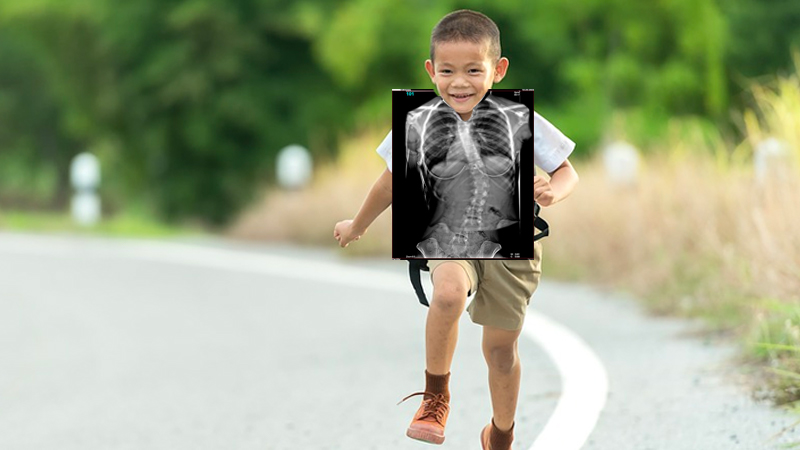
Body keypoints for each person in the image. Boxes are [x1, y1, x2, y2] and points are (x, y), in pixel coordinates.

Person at [333, 9, 579, 450]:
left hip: (510, 246)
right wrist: (357, 224)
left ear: (498, 70)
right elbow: (390, 181)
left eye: (473, 70)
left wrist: (552, 191)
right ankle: (435, 396)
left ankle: (501, 431)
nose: (459, 83)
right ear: (430, 71)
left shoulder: (517, 116)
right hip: (448, 236)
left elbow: (567, 172)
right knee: (446, 293)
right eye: (446, 71)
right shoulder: (418, 120)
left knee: (500, 353)